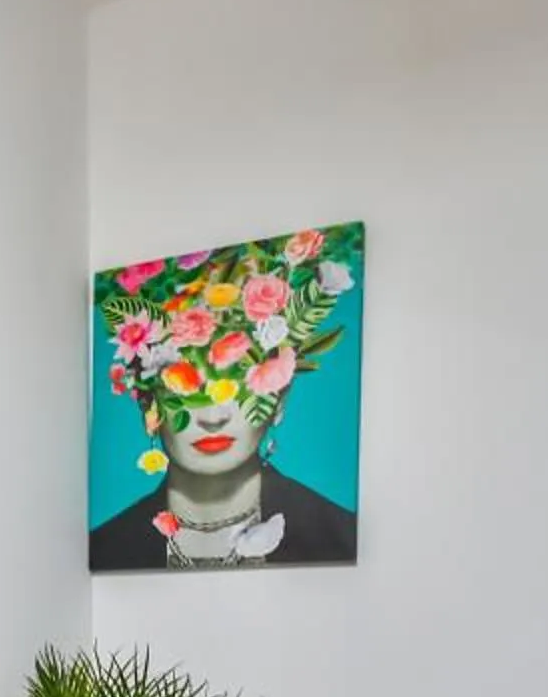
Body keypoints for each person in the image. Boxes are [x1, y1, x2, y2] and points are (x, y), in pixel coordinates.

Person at [89, 226, 360, 570]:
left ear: (279, 399)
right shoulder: (107, 548)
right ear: (148, 405)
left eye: (238, 379)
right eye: (185, 384)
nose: (213, 416)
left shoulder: (332, 532)